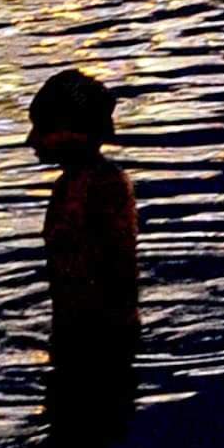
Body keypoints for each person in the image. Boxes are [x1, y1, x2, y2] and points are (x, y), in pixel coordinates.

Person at [28, 70, 140, 376]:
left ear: (73, 130)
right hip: (77, 337)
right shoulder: (71, 185)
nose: (32, 140)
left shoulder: (102, 187)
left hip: (97, 345)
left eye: (43, 128)